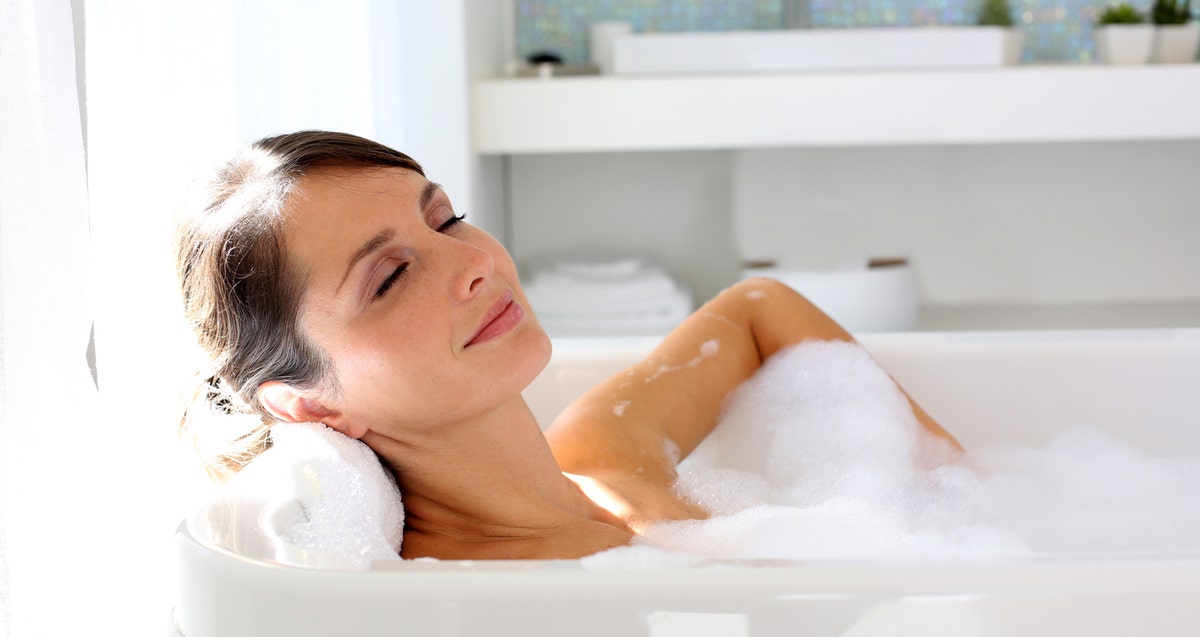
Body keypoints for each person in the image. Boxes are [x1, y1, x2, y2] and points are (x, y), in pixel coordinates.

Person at [175, 130, 961, 561]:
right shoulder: (472, 608)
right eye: (389, 277)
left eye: (444, 218)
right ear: (309, 402)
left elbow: (761, 305)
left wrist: (951, 495)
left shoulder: (600, 458)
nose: (478, 263)